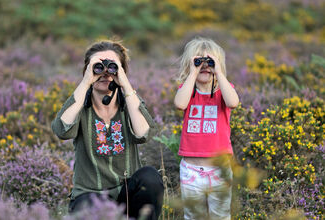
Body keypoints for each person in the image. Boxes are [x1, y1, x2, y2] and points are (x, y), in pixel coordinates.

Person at [51, 40, 164, 220]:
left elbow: (144, 133)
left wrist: (126, 86)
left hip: (127, 192)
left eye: (112, 67)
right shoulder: (81, 105)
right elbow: (61, 130)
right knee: (90, 208)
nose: (105, 72)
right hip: (89, 195)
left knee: (150, 177)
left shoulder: (129, 103)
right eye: (97, 66)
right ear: (87, 70)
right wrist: (86, 82)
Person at [174, 37, 239, 220]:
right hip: (191, 169)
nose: (204, 66)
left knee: (220, 216)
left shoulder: (224, 91)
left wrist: (219, 72)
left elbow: (233, 102)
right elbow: (179, 103)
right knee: (193, 216)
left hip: (220, 169)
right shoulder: (188, 90)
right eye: (198, 61)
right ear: (190, 64)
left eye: (209, 62)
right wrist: (192, 74)